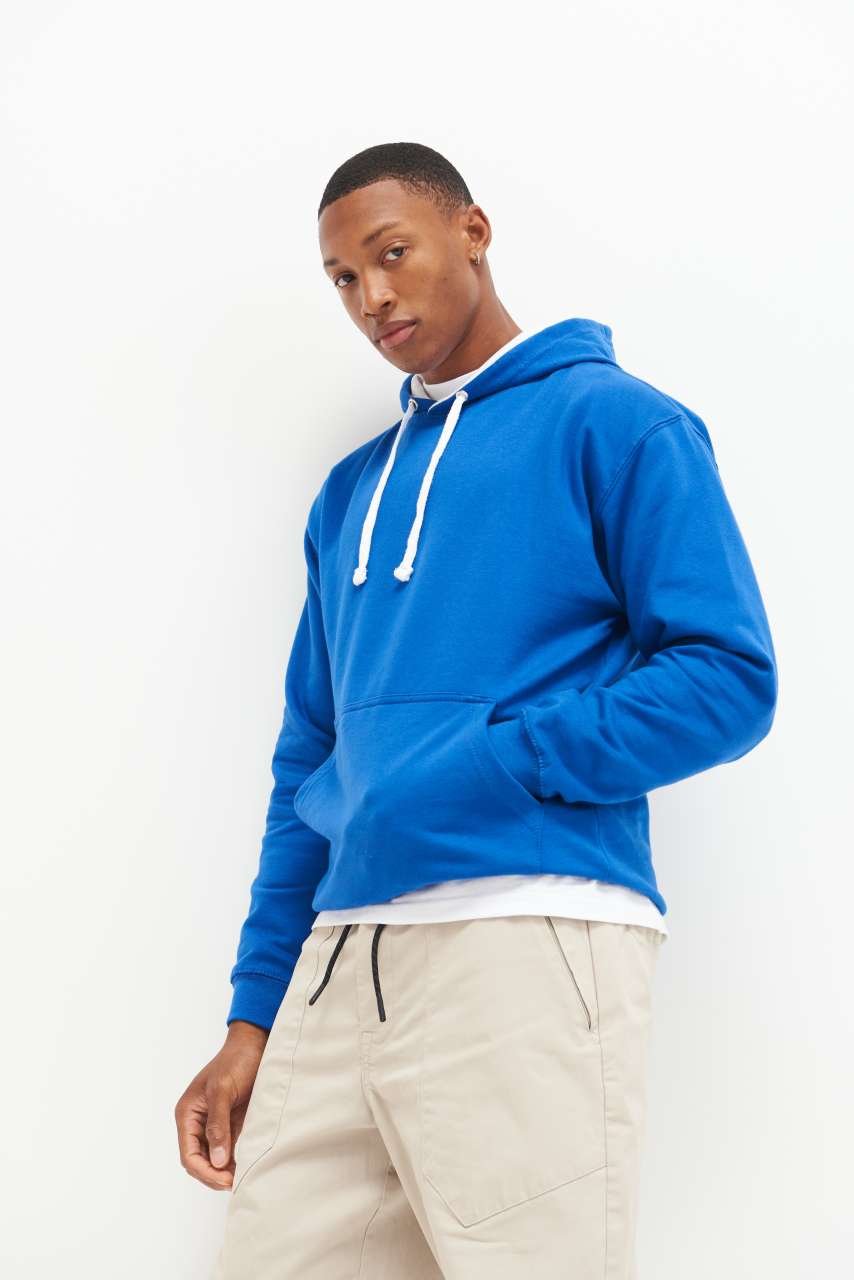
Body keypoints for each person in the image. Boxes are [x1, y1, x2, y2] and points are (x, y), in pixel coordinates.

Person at [175, 141, 778, 1278]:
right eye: (343, 278)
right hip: (342, 959)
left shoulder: (617, 424)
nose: (371, 296)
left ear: (473, 231)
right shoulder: (350, 494)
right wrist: (254, 1016)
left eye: (390, 254)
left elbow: (725, 677)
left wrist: (504, 757)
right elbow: (310, 759)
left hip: (524, 932)